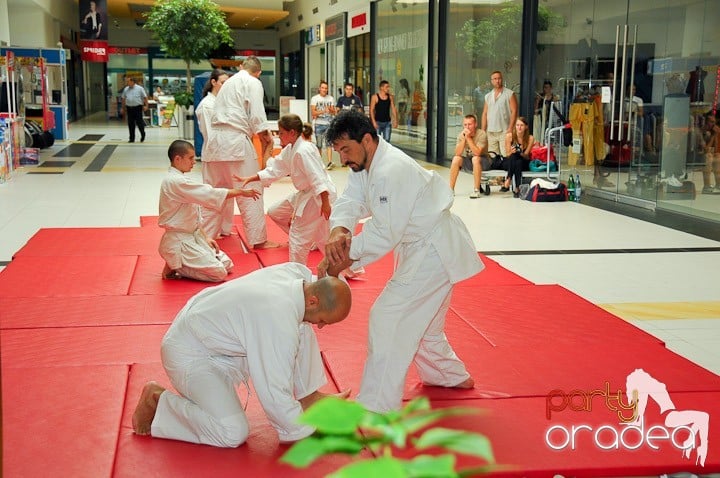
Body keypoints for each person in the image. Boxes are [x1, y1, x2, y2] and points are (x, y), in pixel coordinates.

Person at [319, 109, 483, 413]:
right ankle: (447, 375)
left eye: (345, 149)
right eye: (338, 151)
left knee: (388, 317)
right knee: (426, 322)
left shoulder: (390, 169)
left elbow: (384, 233)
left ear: (366, 140)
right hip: (420, 246)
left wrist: (343, 257)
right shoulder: (366, 163)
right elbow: (351, 199)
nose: (343, 159)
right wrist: (339, 230)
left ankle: (376, 406)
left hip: (433, 249)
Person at [131, 262, 353, 448]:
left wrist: (335, 270)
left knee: (303, 322)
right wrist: (307, 429)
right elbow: (274, 392)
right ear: (314, 300)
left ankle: (310, 398)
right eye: (324, 319)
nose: (322, 326)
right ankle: (159, 402)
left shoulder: (298, 276)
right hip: (189, 355)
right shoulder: (277, 319)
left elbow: (324, 286)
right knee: (233, 432)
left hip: (216, 336)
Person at [235, 115, 336, 266]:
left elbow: (318, 178)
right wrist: (251, 178)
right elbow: (275, 169)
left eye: (281, 133)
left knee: (299, 237)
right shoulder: (291, 150)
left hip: (318, 196)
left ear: (292, 133)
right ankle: (342, 269)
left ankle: (297, 273)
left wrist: (325, 202)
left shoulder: (303, 151)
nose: (278, 136)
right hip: (307, 194)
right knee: (278, 212)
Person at [201, 56, 279, 249]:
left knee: (214, 194)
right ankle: (258, 240)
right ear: (258, 72)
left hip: (214, 143)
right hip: (235, 141)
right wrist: (265, 136)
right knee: (251, 191)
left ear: (241, 66)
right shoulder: (252, 82)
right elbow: (257, 113)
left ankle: (203, 240)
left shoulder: (227, 84)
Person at [158, 140, 259, 281]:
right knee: (219, 273)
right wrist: (240, 192)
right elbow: (209, 193)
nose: (194, 162)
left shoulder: (179, 179)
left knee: (227, 264)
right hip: (179, 240)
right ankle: (175, 264)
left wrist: (206, 237)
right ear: (177, 159)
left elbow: (193, 217)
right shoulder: (175, 181)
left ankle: (178, 262)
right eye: (191, 158)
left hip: (192, 236)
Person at [624, 368, 709, 466]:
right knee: (703, 417)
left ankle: (692, 442)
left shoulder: (650, 385)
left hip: (667, 414)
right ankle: (697, 445)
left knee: (702, 417)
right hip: (667, 416)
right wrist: (637, 419)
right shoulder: (647, 386)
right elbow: (642, 402)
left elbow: (641, 401)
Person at [449, 114, 489, 198]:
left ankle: (476, 190)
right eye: (465, 125)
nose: (467, 127)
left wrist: (468, 138)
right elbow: (457, 153)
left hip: (483, 161)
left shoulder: (482, 134)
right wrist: (464, 139)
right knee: (456, 159)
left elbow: (477, 152)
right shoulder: (461, 135)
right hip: (469, 160)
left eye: (470, 124)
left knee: (475, 158)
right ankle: (450, 190)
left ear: (475, 124)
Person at [194, 69, 229, 159]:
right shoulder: (206, 105)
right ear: (213, 82)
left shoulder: (223, 103)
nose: (225, 87)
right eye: (223, 83)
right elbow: (208, 134)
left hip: (226, 152)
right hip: (214, 155)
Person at [481, 70, 517, 156]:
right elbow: (485, 113)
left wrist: (510, 128)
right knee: (493, 157)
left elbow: (514, 111)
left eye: (499, 78)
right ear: (491, 81)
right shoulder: (488, 96)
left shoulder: (509, 93)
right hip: (491, 131)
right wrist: (483, 130)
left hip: (504, 130)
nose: (497, 80)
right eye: (495, 79)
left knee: (506, 155)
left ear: (502, 79)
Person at [502, 117, 535, 198]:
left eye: (521, 125)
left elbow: (526, 155)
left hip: (524, 160)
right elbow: (507, 154)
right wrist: (512, 151)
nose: (519, 127)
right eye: (517, 125)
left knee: (518, 160)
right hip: (511, 161)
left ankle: (508, 180)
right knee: (515, 158)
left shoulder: (530, 138)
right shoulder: (509, 136)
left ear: (526, 127)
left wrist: (520, 152)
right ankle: (517, 188)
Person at [310, 81, 336, 169]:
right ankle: (319, 163)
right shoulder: (314, 99)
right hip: (319, 124)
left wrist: (330, 110)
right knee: (319, 144)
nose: (324, 90)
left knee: (329, 143)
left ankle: (329, 162)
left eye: (326, 88)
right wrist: (323, 111)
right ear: (319, 88)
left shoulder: (331, 99)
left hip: (328, 123)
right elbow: (313, 112)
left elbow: (334, 112)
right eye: (323, 88)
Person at [120, 76, 149, 143]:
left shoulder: (140, 88)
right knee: (130, 123)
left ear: (133, 82)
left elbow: (145, 97)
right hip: (129, 108)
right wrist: (123, 108)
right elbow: (123, 99)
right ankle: (131, 138)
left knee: (139, 123)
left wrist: (146, 106)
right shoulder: (126, 89)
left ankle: (143, 134)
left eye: (128, 81)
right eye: (126, 81)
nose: (127, 83)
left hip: (138, 108)